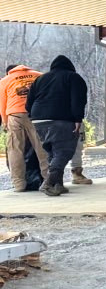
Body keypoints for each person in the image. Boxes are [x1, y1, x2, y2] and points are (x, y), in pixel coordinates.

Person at [26, 54, 88, 198]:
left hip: (38, 120)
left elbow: (28, 102)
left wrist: (34, 116)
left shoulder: (40, 79)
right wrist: (77, 118)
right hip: (61, 119)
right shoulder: (73, 77)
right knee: (64, 151)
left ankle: (58, 185)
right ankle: (48, 182)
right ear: (70, 67)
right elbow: (78, 100)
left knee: (53, 152)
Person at [2, 61, 45, 193]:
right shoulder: (39, 75)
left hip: (15, 115)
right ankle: (50, 181)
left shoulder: (5, 80)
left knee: (15, 149)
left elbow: (2, 104)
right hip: (36, 114)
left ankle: (19, 184)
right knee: (42, 148)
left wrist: (5, 122)